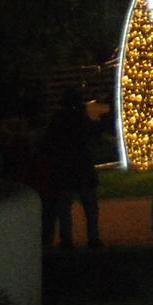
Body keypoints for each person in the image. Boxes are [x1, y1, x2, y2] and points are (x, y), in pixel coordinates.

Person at [40, 89, 107, 250]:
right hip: (81, 168)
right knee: (89, 207)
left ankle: (67, 239)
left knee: (65, 208)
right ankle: (92, 238)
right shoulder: (80, 119)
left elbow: (48, 143)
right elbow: (94, 132)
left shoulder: (58, 120)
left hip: (66, 169)